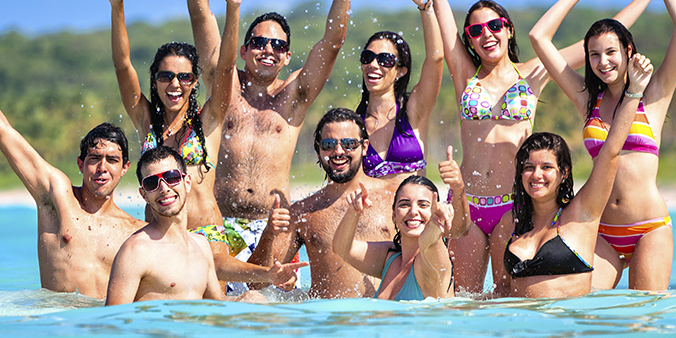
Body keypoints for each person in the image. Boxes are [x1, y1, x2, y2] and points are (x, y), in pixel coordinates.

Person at [389, 0, 676, 294]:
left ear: (508, 29)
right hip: (469, 205)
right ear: (470, 39)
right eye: (475, 30)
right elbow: (440, 2)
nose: (485, 34)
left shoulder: (533, 73)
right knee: (464, 302)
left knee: (512, 299)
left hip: (516, 207)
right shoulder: (465, 76)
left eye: (494, 26)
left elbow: (602, 42)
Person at [174, 0, 364, 260]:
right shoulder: (223, 87)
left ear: (287, 56)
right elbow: (201, 16)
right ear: (243, 49)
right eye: (259, 43)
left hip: (274, 227)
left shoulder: (294, 96)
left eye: (278, 45)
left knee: (271, 312)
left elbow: (333, 41)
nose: (268, 50)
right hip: (217, 223)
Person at [108, 0, 298, 289]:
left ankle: (262, 282)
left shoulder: (208, 121)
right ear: (154, 81)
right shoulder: (145, 121)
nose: (174, 84)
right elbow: (123, 65)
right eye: (166, 76)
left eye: (184, 77)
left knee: (220, 308)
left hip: (206, 231)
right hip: (160, 236)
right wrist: (117, 8)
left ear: (195, 82)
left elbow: (225, 69)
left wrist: (233, 10)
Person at [0, 31, 142, 300]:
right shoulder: (57, 197)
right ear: (81, 164)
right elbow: (2, 131)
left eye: (112, 160)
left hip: (107, 329)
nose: (102, 167)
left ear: (125, 168)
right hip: (57, 327)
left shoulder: (136, 231)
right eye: (94, 158)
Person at [528, 0, 676, 291]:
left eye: (611, 52)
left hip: (648, 226)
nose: (603, 62)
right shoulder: (587, 98)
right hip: (602, 228)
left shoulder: (654, 93)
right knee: (586, 314)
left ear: (628, 49)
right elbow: (538, 37)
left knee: (641, 322)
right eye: (594, 54)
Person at [494, 54, 654, 299]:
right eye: (528, 167)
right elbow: (501, 291)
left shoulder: (582, 212)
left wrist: (634, 92)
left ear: (563, 173)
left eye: (547, 167)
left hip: (568, 329)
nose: (536, 174)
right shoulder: (510, 223)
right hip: (520, 330)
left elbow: (610, 150)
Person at [105, 146, 301, 304]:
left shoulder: (201, 246)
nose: (164, 188)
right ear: (143, 195)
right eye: (151, 183)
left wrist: (249, 297)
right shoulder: (136, 251)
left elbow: (216, 305)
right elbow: (113, 324)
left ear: (187, 182)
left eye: (171, 177)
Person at [247, 108, 394, 299]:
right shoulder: (303, 212)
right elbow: (255, 282)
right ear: (318, 150)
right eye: (328, 144)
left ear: (364, 147)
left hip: (384, 318)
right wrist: (268, 234)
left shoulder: (394, 197)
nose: (339, 151)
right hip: (327, 322)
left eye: (349, 144)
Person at [355, 0, 444, 190]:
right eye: (368, 58)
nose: (374, 65)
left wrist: (426, 8)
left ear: (400, 71)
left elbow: (436, 58)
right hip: (372, 222)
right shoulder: (354, 125)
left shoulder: (413, 111)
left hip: (415, 220)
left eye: (385, 60)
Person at [333, 164, 460, 301]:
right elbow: (342, 249)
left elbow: (429, 241)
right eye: (404, 204)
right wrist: (353, 212)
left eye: (423, 205)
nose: (413, 211)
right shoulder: (390, 257)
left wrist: (435, 223)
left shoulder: (435, 261)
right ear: (394, 214)